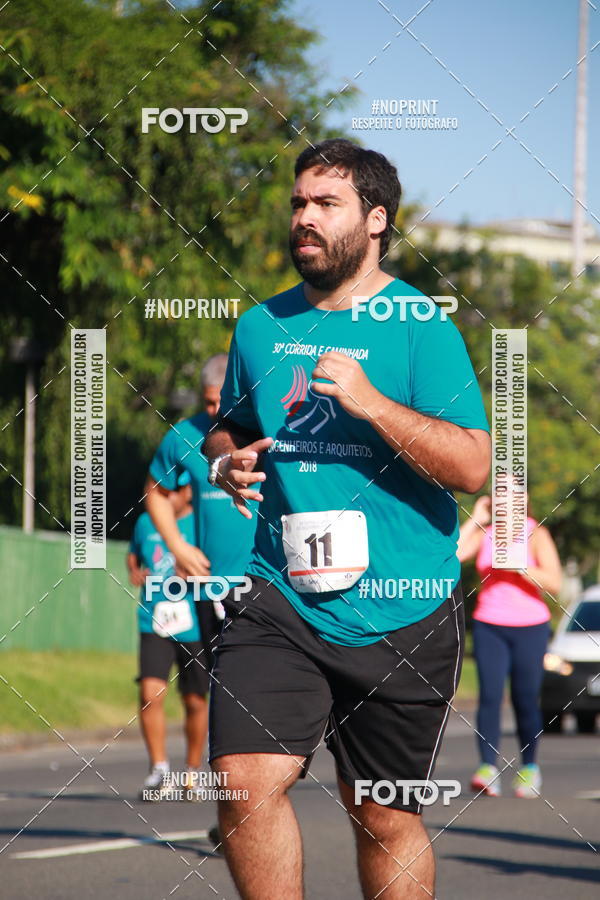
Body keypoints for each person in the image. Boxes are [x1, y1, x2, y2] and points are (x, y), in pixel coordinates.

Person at [203, 138, 491, 898]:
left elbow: (471, 465)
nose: (303, 217)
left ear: (373, 222)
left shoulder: (420, 325)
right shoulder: (260, 325)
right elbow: (227, 422)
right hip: (283, 599)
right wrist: (223, 458)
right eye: (298, 202)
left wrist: (369, 401)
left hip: (403, 611)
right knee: (242, 784)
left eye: (324, 204)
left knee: (381, 816)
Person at [144, 354, 258, 803]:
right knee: (221, 692)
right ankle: (236, 803)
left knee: (254, 693)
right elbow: (155, 490)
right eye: (209, 402)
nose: (216, 411)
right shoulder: (184, 437)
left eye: (223, 401)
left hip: (267, 583)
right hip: (209, 589)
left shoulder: (266, 426)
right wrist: (177, 545)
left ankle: (246, 799)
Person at [457, 491, 562, 798]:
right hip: (490, 623)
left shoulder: (536, 532)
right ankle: (487, 767)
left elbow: (555, 582)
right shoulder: (486, 533)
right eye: (498, 494)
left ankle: (529, 767)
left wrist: (520, 567)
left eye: (511, 495)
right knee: (489, 696)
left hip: (530, 626)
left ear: (524, 499)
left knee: (525, 698)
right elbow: (453, 553)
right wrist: (477, 516)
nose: (504, 500)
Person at [127, 472, 208, 799]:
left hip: (193, 625)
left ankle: (192, 772)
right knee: (150, 693)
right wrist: (133, 569)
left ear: (188, 492)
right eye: (160, 491)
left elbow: (219, 567)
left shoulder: (202, 524)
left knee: (195, 702)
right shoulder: (146, 523)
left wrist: (197, 572)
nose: (165, 498)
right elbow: (134, 555)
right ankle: (159, 769)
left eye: (171, 491)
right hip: (154, 622)